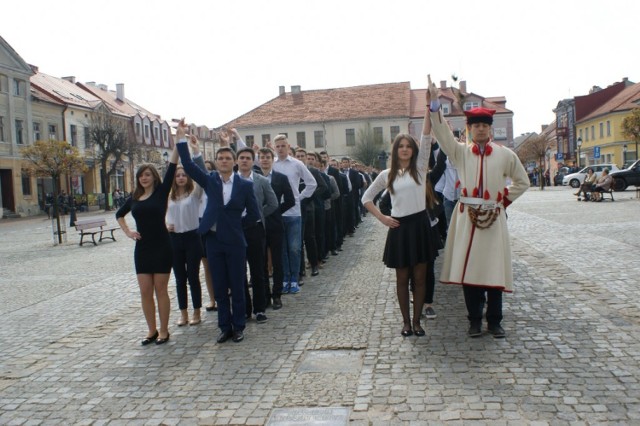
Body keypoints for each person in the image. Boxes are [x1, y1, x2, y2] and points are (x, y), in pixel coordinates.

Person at [427, 75, 530, 338]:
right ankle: (474, 319)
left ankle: (494, 321)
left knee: (493, 267)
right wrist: (436, 104)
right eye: (476, 126)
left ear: (490, 128)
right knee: (470, 269)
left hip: (493, 218)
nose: (481, 129)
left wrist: (503, 201)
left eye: (485, 125)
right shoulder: (460, 152)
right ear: (470, 129)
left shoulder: (506, 155)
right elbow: (442, 134)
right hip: (467, 217)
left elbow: (523, 181)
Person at [177, 120, 261, 344]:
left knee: (237, 285)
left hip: (234, 241)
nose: (224, 161)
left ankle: (239, 325)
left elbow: (254, 214)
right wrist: (181, 138)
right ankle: (224, 327)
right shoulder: (210, 180)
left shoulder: (244, 185)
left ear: (234, 162)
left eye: (227, 158)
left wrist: (237, 226)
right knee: (221, 287)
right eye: (220, 158)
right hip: (213, 240)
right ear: (216, 162)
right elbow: (187, 162)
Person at [361, 103, 436, 337]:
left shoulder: (421, 167)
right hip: (400, 228)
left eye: (408, 146)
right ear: (395, 150)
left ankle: (417, 322)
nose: (404, 149)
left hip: (420, 226)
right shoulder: (387, 174)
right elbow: (366, 198)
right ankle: (405, 322)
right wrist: (383, 218)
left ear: (413, 150)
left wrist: (429, 106)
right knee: (402, 277)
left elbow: (426, 136)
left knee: (421, 278)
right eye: (400, 146)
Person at [115, 140, 179, 346]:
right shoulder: (134, 197)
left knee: (161, 289)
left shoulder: (161, 192)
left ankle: (163, 330)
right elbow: (119, 215)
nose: (144, 177)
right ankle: (151, 330)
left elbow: (172, 166)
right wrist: (128, 232)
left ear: (154, 177)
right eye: (141, 175)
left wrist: (178, 141)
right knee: (145, 291)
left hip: (162, 245)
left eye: (147, 174)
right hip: (142, 248)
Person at [166, 136, 206, 327]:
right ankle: (183, 313)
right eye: (178, 175)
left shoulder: (195, 192)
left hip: (192, 238)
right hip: (175, 240)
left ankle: (197, 311)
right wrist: (166, 226)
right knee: (179, 279)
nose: (180, 177)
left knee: (193, 277)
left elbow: (201, 175)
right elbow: (162, 215)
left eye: (183, 175)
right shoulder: (170, 196)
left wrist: (193, 150)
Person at [236, 147, 278, 323]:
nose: (244, 160)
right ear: (237, 161)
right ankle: (244, 309)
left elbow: (273, 203)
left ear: (253, 161)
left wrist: (259, 214)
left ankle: (259, 308)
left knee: (258, 270)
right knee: (239, 271)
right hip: (236, 229)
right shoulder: (230, 181)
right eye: (242, 158)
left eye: (248, 158)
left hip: (255, 229)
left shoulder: (261, 180)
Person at [272, 135, 317, 295]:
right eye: (277, 146)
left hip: (294, 212)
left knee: (295, 247)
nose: (280, 149)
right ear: (274, 147)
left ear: (288, 146)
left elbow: (312, 183)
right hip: (277, 211)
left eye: (283, 145)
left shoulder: (297, 164)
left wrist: (299, 197)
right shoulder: (272, 164)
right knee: (282, 248)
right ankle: (285, 278)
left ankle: (295, 278)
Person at [257, 147, 296, 310]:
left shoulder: (281, 178)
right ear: (259, 160)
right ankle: (264, 295)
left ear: (272, 159)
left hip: (275, 223)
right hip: (258, 225)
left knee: (278, 261)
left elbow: (290, 200)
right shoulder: (253, 178)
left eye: (268, 157)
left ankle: (277, 295)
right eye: (262, 157)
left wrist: (276, 211)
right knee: (261, 262)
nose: (265, 160)